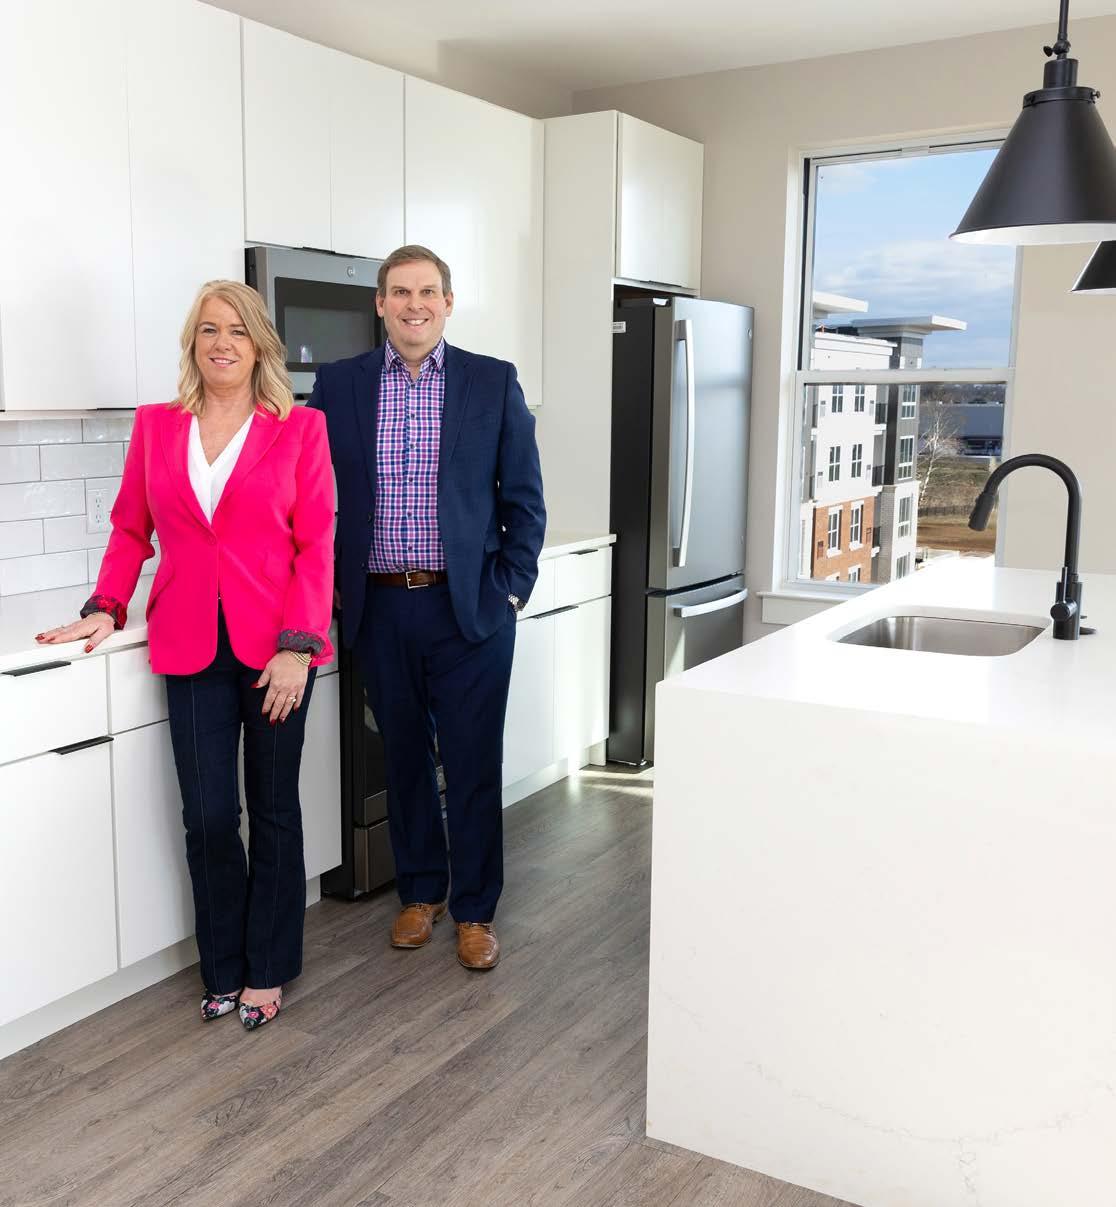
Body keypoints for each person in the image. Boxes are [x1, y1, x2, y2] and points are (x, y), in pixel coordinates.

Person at [36, 280, 334, 1029]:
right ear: (192, 343)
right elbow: (130, 528)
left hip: (275, 651)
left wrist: (300, 646)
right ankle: (223, 967)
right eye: (208, 329)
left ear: (259, 345)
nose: (222, 343)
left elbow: (316, 545)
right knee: (207, 816)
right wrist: (106, 605)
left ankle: (267, 968)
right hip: (189, 643)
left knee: (273, 809)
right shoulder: (156, 426)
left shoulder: (300, 429)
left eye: (237, 330)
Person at [310, 245, 545, 970]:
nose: (415, 304)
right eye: (401, 292)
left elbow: (524, 499)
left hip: (469, 607)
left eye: (428, 292)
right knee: (404, 756)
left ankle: (475, 909)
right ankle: (419, 892)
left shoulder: (491, 380)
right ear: (380, 303)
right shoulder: (339, 385)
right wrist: (326, 581)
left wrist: (510, 588)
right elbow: (311, 494)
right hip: (379, 606)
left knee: (472, 761)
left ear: (448, 302)